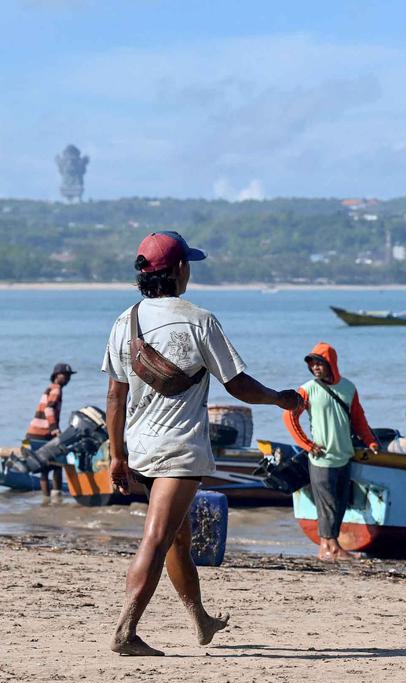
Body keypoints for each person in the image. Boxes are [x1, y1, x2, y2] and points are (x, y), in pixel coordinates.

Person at [103, 231, 301, 656]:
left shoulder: (125, 321)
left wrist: (117, 455)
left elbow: (115, 397)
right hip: (178, 450)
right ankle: (125, 631)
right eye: (188, 264)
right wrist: (278, 399)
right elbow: (238, 384)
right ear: (179, 269)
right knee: (158, 537)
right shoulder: (199, 320)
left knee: (178, 537)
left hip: (140, 449)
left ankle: (200, 619)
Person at [283, 343, 380, 561]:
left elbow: (358, 419)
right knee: (328, 504)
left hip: (344, 455)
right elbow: (289, 416)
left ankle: (325, 548)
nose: (315, 367)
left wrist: (371, 441)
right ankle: (333, 547)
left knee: (341, 502)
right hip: (321, 459)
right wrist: (307, 444)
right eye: (312, 364)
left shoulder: (348, 388)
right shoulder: (307, 389)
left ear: (331, 363)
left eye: (319, 363)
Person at [25, 362, 75, 497]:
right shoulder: (57, 389)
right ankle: (56, 497)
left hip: (32, 433)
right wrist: (54, 429)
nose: (68, 378)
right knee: (57, 465)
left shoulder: (49, 388)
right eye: (65, 375)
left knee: (43, 467)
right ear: (56, 376)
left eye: (69, 376)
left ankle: (46, 500)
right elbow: (49, 409)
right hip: (44, 433)